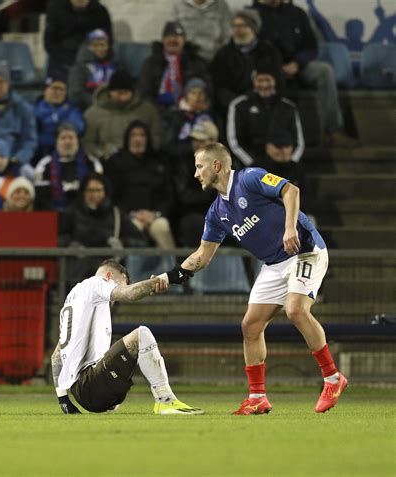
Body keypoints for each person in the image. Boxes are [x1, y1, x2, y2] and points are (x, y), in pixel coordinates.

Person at [161, 142, 348, 414]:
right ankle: (257, 397)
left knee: (295, 310)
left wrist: (289, 228)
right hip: (274, 264)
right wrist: (170, 276)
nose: (196, 174)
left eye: (199, 166)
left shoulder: (250, 178)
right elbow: (203, 255)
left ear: (216, 165)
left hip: (305, 250)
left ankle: (333, 379)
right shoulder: (216, 213)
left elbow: (291, 190)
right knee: (250, 325)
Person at [51, 259, 204, 415]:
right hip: (90, 385)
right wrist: (167, 278)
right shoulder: (99, 282)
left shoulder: (74, 297)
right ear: (111, 275)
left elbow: (56, 356)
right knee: (141, 334)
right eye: (123, 283)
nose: (117, 297)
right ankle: (166, 401)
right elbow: (130, 293)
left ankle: (109, 402)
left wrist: (63, 400)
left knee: (120, 351)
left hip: (82, 392)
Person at [252, 0, 358, 147]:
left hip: (298, 65)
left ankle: (332, 131)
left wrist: (297, 62)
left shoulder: (297, 13)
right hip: (269, 69)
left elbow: (311, 47)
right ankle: (272, 136)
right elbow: (252, 47)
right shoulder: (253, 14)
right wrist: (276, 67)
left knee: (324, 71)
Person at [58, 173, 147, 284]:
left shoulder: (116, 214)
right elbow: (58, 238)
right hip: (78, 271)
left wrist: (122, 243)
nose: (95, 194)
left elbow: (141, 241)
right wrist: (71, 244)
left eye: (98, 190)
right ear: (83, 192)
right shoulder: (71, 212)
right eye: (90, 190)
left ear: (105, 192)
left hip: (110, 272)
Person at [105, 120, 176, 250]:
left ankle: (171, 269)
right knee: (133, 228)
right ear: (127, 139)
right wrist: (131, 214)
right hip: (128, 217)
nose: (138, 139)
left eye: (142, 135)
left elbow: (168, 195)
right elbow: (112, 197)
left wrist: (156, 214)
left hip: (155, 216)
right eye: (133, 135)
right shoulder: (115, 163)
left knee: (162, 226)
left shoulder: (159, 161)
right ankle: (131, 270)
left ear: (147, 138)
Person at [226, 63, 305, 178]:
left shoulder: (288, 107)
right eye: (260, 80)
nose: (264, 85)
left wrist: (292, 161)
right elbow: (234, 141)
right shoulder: (239, 105)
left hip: (284, 163)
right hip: (251, 164)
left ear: (275, 81)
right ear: (254, 81)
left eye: (268, 80)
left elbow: (299, 141)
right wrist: (252, 163)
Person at [209, 8, 282, 116]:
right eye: (235, 26)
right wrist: (237, 103)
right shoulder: (223, 54)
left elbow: (276, 81)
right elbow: (219, 87)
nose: (238, 30)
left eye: (243, 26)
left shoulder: (269, 52)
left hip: (263, 104)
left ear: (253, 28)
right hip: (232, 107)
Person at [83, 70, 162, 161]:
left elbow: (156, 137)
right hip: (107, 162)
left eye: (126, 92)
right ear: (110, 92)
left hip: (142, 161)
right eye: (119, 93)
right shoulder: (93, 114)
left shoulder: (147, 111)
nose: (123, 97)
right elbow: (88, 143)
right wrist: (102, 154)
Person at [138, 21, 210, 109]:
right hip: (158, 112)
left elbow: (207, 91)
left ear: (184, 40)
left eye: (177, 37)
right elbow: (144, 93)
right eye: (169, 36)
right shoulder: (151, 63)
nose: (172, 40)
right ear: (163, 40)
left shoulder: (196, 62)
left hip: (190, 110)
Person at [34, 122, 102, 211]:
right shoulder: (44, 165)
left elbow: (99, 194)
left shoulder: (92, 163)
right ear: (56, 142)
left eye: (71, 138)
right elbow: (42, 200)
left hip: (87, 214)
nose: (67, 142)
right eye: (63, 138)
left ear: (77, 141)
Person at [44, 0, 112, 75]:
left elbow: (108, 41)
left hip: (91, 61)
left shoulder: (100, 10)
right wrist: (68, 61)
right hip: (63, 61)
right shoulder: (56, 8)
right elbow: (49, 43)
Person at [34, 71, 85, 159]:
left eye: (61, 89)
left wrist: (47, 128)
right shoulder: (34, 110)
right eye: (54, 88)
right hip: (40, 154)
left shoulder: (73, 110)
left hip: (68, 155)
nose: (57, 92)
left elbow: (77, 129)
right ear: (45, 90)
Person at [68, 29, 119, 111]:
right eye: (96, 45)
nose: (100, 48)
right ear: (89, 47)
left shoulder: (117, 66)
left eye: (103, 45)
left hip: (115, 106)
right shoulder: (80, 68)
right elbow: (76, 93)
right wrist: (98, 103)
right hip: (90, 108)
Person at [0, 176, 36, 247]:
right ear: (10, 195)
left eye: (26, 193)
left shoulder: (38, 219)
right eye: (17, 192)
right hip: (0, 256)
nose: (22, 196)